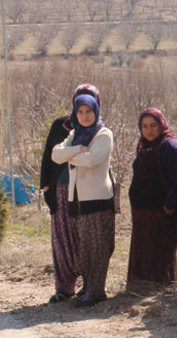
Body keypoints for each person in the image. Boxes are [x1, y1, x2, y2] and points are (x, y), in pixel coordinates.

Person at [51, 93, 115, 307]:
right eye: (81, 111)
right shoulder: (75, 135)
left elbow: (94, 159)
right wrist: (77, 150)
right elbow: (55, 155)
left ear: (96, 111)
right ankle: (88, 287)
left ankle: (97, 291)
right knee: (83, 247)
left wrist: (70, 156)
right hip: (77, 199)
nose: (85, 116)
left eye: (89, 111)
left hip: (97, 199)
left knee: (97, 247)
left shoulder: (103, 134)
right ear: (75, 113)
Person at [43, 84, 101, 303]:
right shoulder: (61, 125)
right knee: (62, 238)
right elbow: (50, 156)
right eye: (80, 106)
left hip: (87, 192)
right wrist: (45, 186)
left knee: (85, 239)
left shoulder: (100, 131)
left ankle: (89, 287)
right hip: (60, 188)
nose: (84, 113)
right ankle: (65, 287)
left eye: (89, 106)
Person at [127, 108, 177, 287]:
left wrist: (169, 204)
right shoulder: (144, 146)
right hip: (142, 212)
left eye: (153, 125)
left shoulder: (169, 146)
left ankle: (159, 290)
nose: (149, 130)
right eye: (144, 126)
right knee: (143, 253)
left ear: (161, 125)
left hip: (160, 212)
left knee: (158, 254)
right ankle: (139, 288)